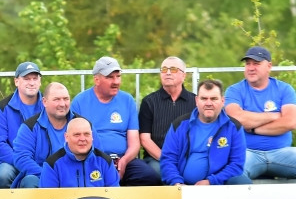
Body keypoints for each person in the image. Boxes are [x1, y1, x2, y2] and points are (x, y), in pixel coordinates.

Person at [223, 46, 296, 183]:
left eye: (256, 63)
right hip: (247, 152)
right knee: (235, 172)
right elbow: (237, 119)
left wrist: (253, 128)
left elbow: (290, 122)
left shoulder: (284, 89)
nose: (251, 68)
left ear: (269, 66)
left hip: (282, 152)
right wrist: (273, 116)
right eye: (248, 64)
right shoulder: (234, 91)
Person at [70, 56, 158, 186]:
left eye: (118, 76)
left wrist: (124, 161)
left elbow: (134, 143)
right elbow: (76, 140)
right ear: (96, 80)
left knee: (149, 177)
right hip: (92, 160)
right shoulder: (80, 102)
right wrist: (104, 163)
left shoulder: (127, 100)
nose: (116, 81)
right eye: (110, 77)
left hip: (123, 159)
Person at [160, 79, 251, 186]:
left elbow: (236, 165)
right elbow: (168, 159)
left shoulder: (234, 127)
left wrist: (211, 181)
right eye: (204, 98)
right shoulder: (179, 125)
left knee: (242, 182)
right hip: (182, 187)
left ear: (222, 101)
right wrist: (176, 182)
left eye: (213, 99)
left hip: (219, 185)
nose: (208, 103)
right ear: (196, 100)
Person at [138, 56, 197, 178]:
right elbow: (145, 139)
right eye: (164, 69)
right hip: (157, 158)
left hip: (189, 158)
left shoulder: (195, 102)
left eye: (173, 69)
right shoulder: (149, 102)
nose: (168, 73)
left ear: (183, 75)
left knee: (197, 172)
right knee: (158, 173)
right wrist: (167, 160)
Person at [12, 82, 77, 188]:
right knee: (30, 180)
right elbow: (22, 158)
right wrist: (50, 176)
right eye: (57, 99)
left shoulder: (82, 125)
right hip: (41, 178)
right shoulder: (30, 127)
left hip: (75, 178)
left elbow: (96, 155)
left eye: (66, 99)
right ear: (44, 102)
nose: (62, 104)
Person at [0, 62, 43, 188]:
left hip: (41, 160)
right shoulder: (2, 107)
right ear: (16, 82)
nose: (31, 83)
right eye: (26, 79)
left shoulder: (49, 105)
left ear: (40, 81)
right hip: (11, 161)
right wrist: (22, 161)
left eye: (35, 78)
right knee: (4, 174)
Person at [40, 117, 120, 188]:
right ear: (66, 137)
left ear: (92, 136)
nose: (82, 139)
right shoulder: (52, 165)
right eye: (77, 135)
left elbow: (114, 198)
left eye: (86, 134)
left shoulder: (105, 162)